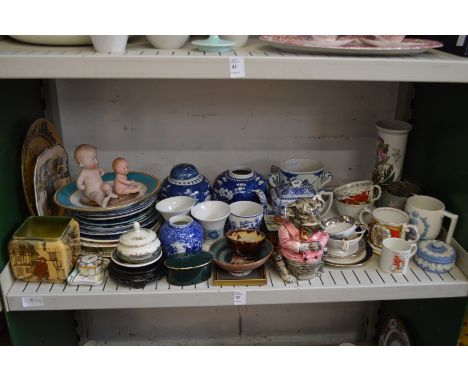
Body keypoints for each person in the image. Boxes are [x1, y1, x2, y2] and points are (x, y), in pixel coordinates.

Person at [276, 198, 329, 283]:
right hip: (293, 259)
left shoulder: (317, 226)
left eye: (314, 213)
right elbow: (284, 242)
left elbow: (325, 235)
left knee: (325, 250)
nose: (313, 219)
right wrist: (298, 246)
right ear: (292, 212)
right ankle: (285, 274)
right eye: (305, 215)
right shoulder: (285, 228)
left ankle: (319, 268)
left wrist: (320, 244)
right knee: (278, 256)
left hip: (314, 257)